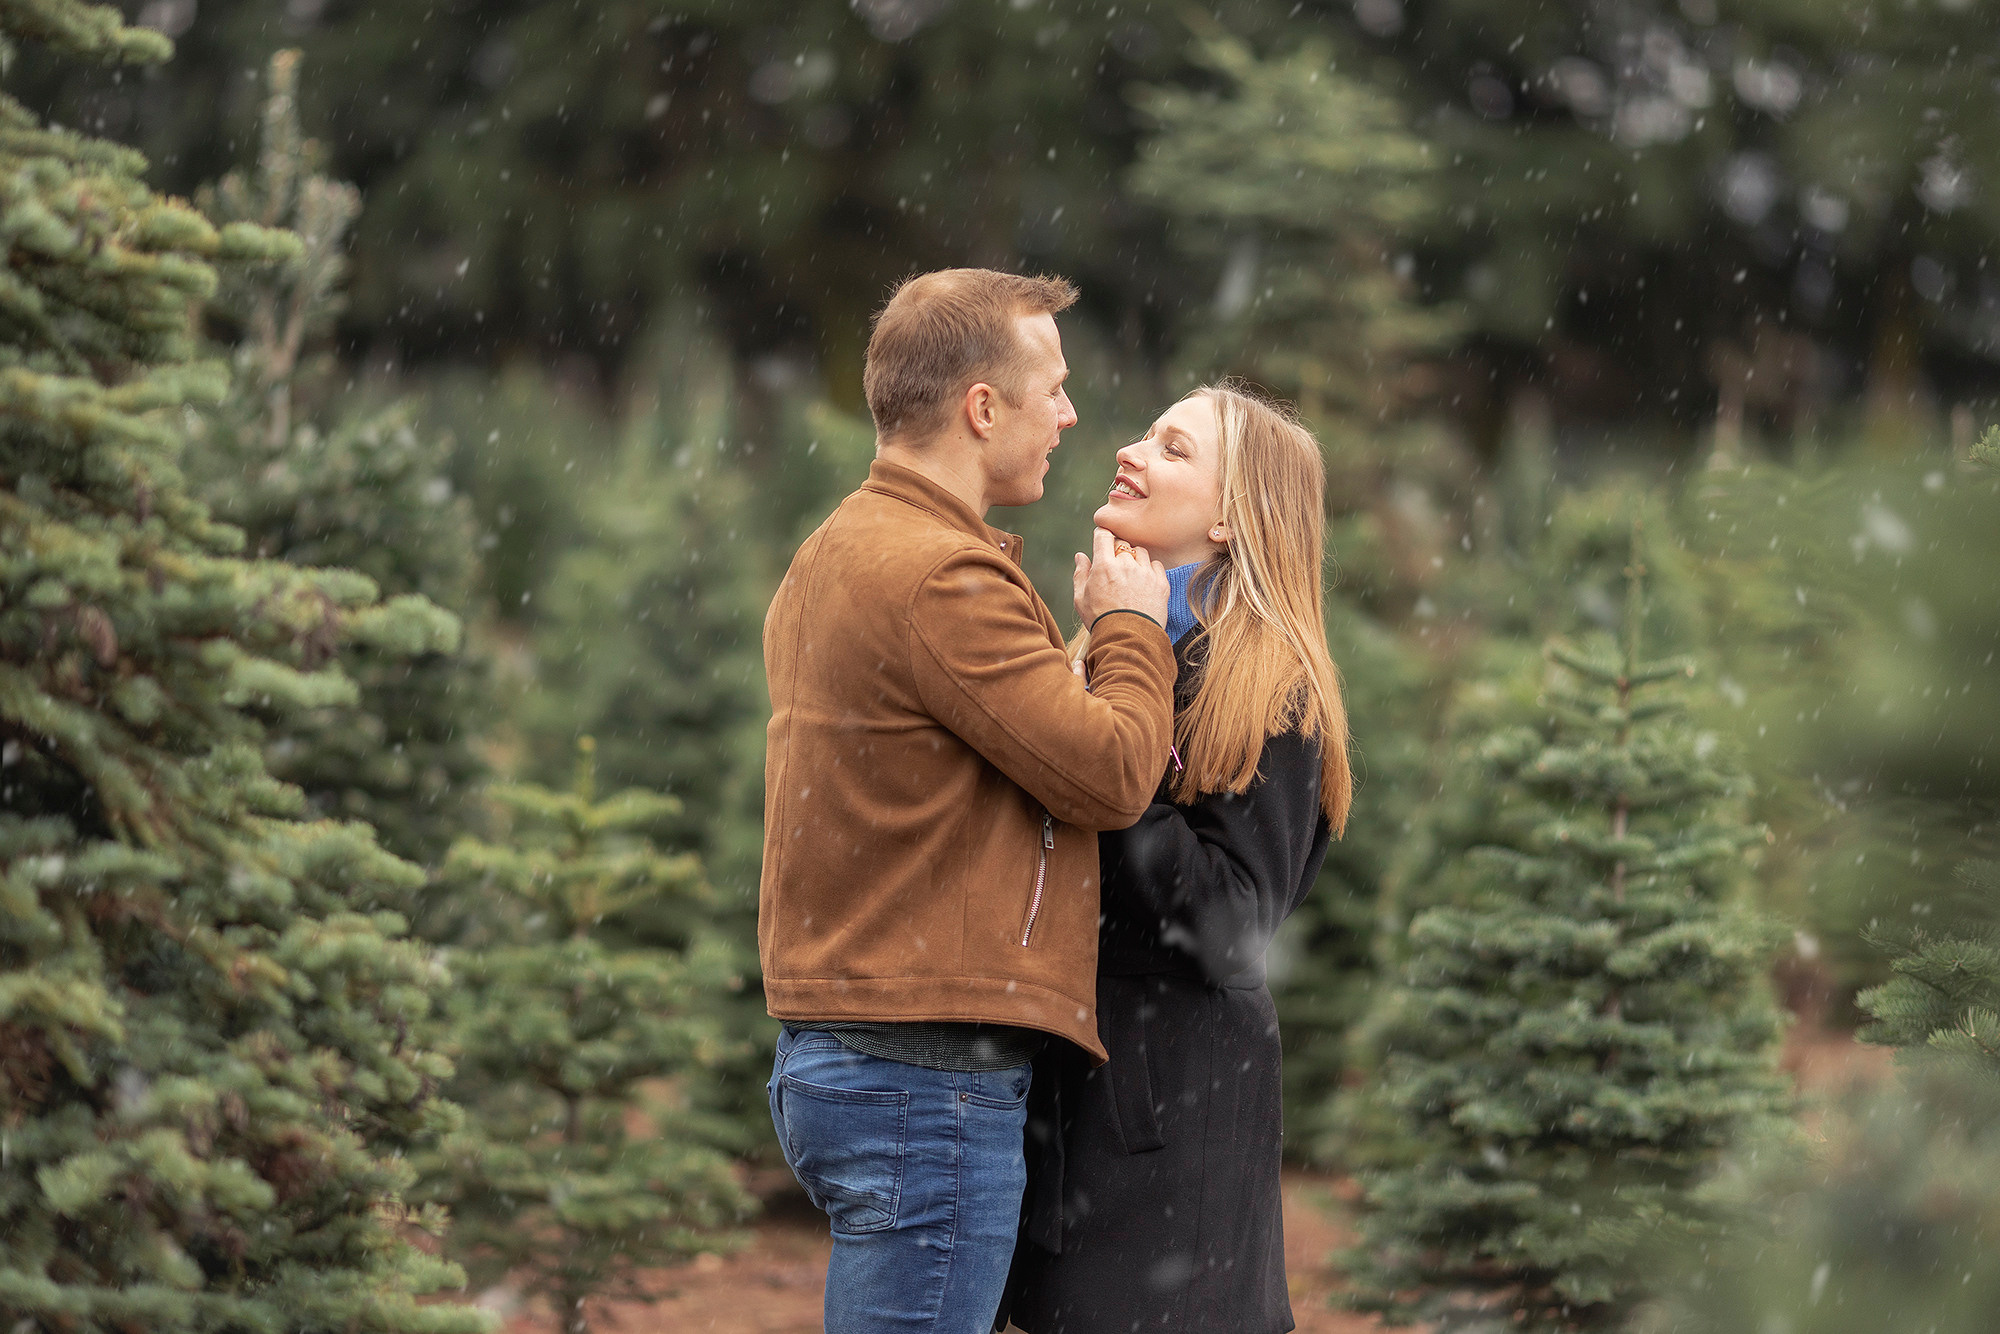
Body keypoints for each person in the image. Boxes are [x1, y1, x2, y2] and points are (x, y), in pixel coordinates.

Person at [759, 268, 1181, 1333]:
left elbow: (985, 747)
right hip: (923, 1085)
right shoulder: (939, 575)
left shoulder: (838, 550)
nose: (1069, 416)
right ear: (981, 406)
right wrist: (1134, 623)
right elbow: (1109, 771)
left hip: (860, 1059)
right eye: (1053, 388)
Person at [1005, 381, 1354, 1334]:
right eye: (1146, 434)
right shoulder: (1119, 648)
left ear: (1236, 516)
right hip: (1070, 1107)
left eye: (1172, 448)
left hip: (1164, 1130)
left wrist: (1123, 751)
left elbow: (1228, 926)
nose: (1130, 451)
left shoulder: (1270, 686)